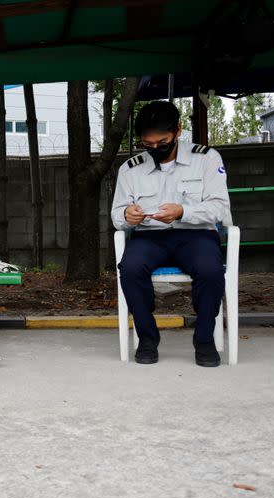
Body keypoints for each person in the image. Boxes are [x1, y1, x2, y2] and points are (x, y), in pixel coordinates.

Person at [111, 100, 230, 367]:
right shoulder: (130, 169)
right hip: (149, 237)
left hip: (195, 234)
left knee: (211, 270)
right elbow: (117, 215)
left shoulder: (206, 159)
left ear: (178, 131)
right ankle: (147, 338)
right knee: (129, 268)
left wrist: (182, 212)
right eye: (147, 144)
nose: (155, 149)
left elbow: (219, 208)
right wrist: (126, 215)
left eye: (162, 142)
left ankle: (204, 339)